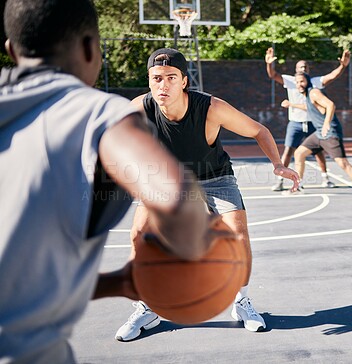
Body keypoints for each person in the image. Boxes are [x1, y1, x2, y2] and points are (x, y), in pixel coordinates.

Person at [0, 1, 224, 362]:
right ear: (92, 49)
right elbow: (176, 200)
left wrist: (116, 284)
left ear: (12, 51)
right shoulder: (101, 114)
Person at [114, 47, 300, 342]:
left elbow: (259, 131)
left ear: (184, 81)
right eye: (157, 78)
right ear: (149, 81)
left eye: (171, 78)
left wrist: (278, 165)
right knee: (139, 234)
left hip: (214, 176)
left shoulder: (211, 108)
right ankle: (148, 307)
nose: (164, 85)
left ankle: (241, 303)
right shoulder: (139, 107)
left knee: (238, 236)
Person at [265, 47, 351, 191]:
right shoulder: (291, 81)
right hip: (295, 123)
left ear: (308, 70)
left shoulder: (314, 82)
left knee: (319, 152)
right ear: (296, 69)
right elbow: (273, 75)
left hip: (313, 123)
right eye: (300, 66)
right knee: (288, 151)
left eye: (305, 66)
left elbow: (332, 75)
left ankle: (325, 178)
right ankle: (280, 180)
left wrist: (343, 65)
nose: (303, 68)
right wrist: (269, 64)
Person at [292, 72, 352, 204]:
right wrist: (291, 105)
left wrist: (326, 123)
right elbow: (308, 107)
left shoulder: (314, 92)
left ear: (307, 82)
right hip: (319, 133)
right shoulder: (307, 96)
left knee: (342, 163)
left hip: (329, 133)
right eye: (297, 82)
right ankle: (298, 186)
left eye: (302, 81)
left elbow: (330, 105)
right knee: (299, 153)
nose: (299, 84)